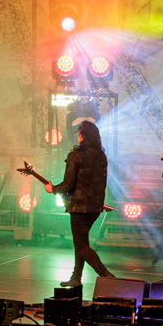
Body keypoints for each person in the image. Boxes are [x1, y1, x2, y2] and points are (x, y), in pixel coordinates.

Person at [46, 119, 110, 288]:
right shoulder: (101, 156)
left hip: (79, 208)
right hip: (95, 207)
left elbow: (68, 185)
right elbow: (101, 184)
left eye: (79, 132)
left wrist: (52, 189)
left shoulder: (75, 156)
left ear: (83, 135)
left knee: (81, 245)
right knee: (81, 242)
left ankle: (107, 275)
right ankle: (76, 278)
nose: (77, 135)